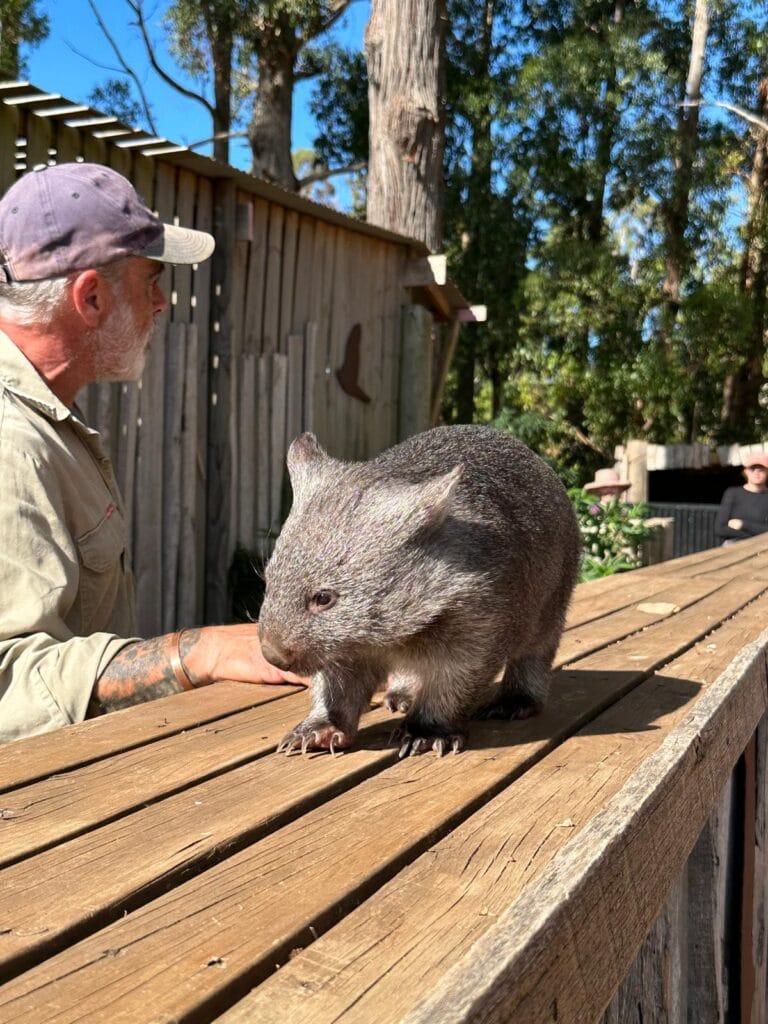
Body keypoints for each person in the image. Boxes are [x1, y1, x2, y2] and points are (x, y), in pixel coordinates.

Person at [0, 162, 304, 744]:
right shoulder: (11, 439)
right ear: (89, 296)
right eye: (151, 280)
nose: (162, 304)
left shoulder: (48, 413)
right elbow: (10, 681)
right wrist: (198, 652)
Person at [715, 453, 768, 545]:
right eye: (752, 468)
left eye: (761, 469)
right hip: (734, 545)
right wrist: (755, 532)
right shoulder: (732, 493)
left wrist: (742, 524)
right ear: (745, 471)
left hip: (762, 546)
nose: (756, 472)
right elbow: (720, 528)